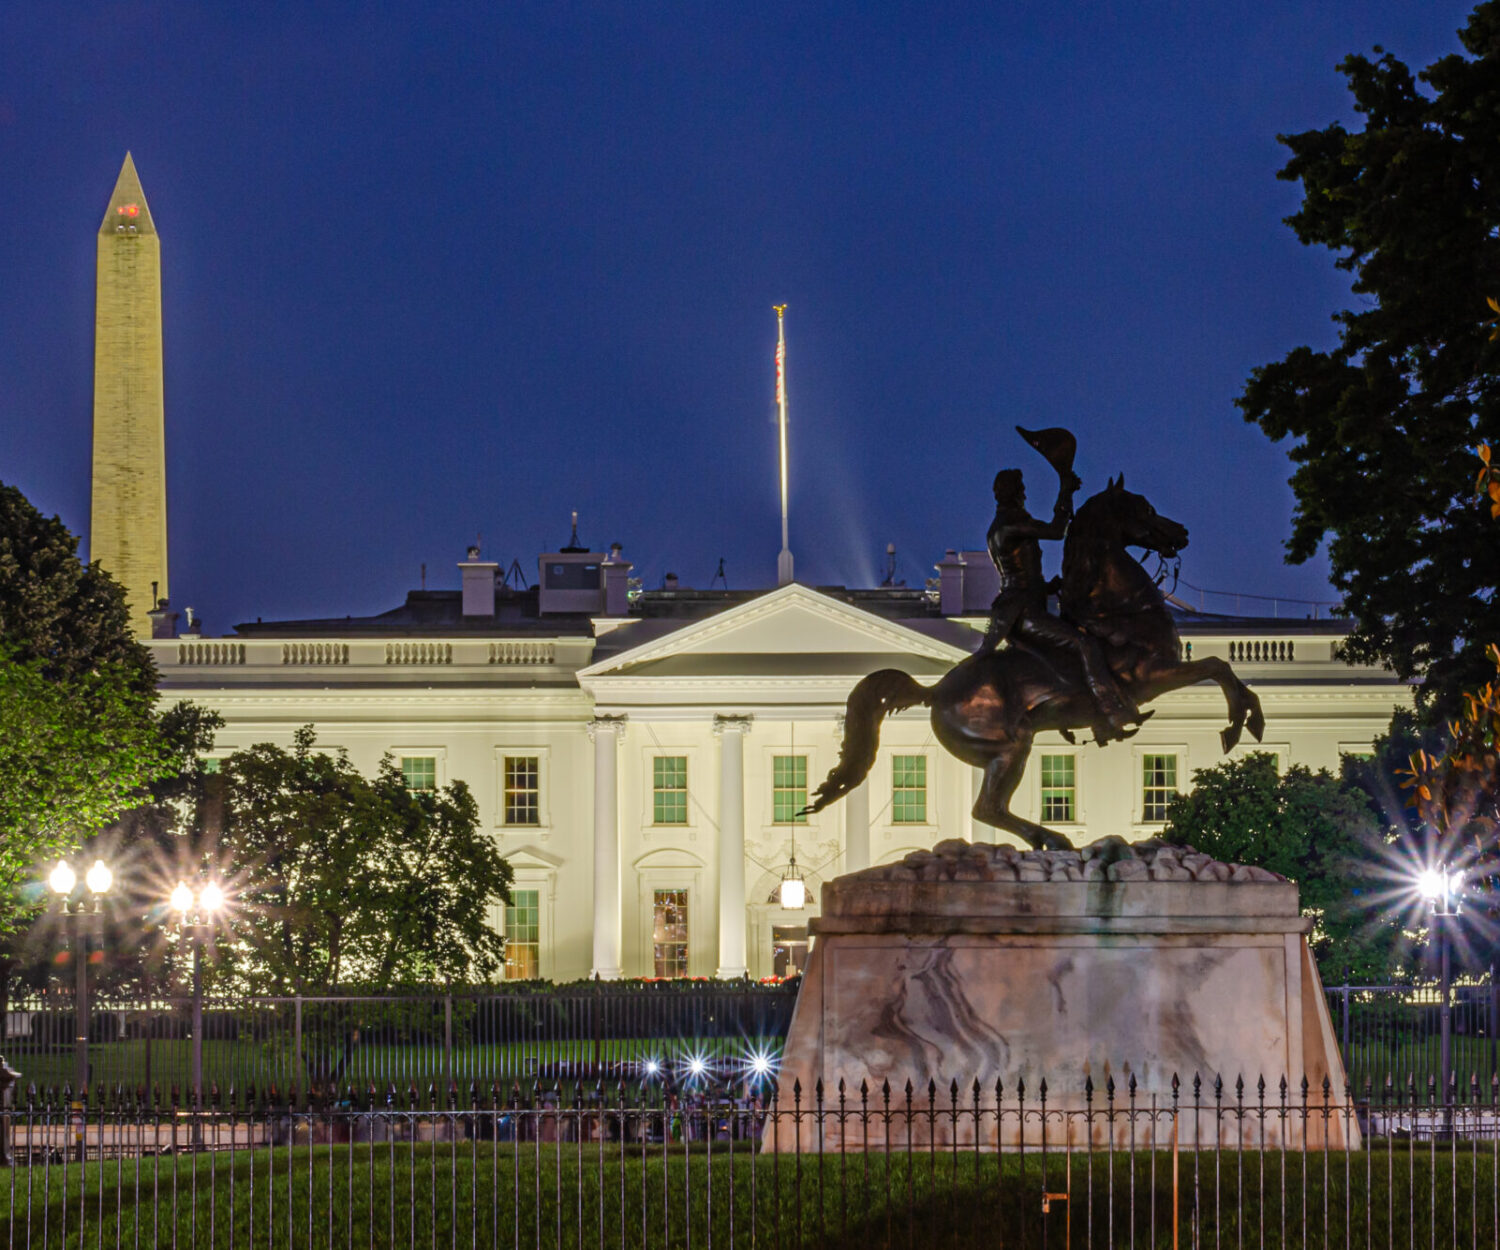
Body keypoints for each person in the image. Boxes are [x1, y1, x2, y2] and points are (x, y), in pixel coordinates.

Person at [977, 466, 1144, 743]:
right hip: (1026, 614)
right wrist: (1065, 490)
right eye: (1021, 490)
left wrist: (1048, 587)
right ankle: (1110, 710)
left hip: (1022, 606)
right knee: (1085, 644)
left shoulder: (1004, 525)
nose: (1024, 494)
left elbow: (1018, 577)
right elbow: (1057, 531)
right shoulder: (1009, 525)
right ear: (1013, 493)